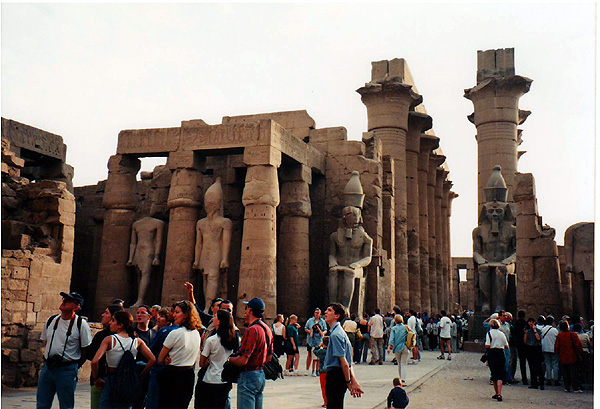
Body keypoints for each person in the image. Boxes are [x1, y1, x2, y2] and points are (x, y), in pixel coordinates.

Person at [37, 291, 93, 409]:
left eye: (69, 300)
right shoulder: (51, 320)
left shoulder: (80, 324)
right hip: (48, 367)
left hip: (67, 369)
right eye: (64, 299)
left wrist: (75, 365)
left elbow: (85, 349)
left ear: (77, 307)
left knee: (66, 405)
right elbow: (46, 341)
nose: (64, 302)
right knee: (42, 404)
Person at [91, 311, 156, 409]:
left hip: (111, 378)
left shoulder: (110, 340)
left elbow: (94, 361)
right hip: (128, 380)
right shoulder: (136, 340)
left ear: (120, 325)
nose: (110, 323)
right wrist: (141, 375)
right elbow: (152, 359)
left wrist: (96, 378)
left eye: (113, 320)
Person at [228, 297, 273, 409]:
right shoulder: (266, 328)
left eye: (246, 308)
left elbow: (243, 360)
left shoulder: (252, 330)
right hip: (260, 374)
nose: (245, 311)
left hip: (249, 375)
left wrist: (229, 359)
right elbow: (269, 357)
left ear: (250, 311)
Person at [157, 300, 203, 408]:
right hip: (188, 375)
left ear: (186, 315)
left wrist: (165, 359)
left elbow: (160, 358)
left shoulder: (175, 333)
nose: (174, 315)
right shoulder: (196, 333)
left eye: (177, 312)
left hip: (173, 375)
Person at [195, 309, 240, 409]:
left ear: (219, 321)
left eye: (215, 317)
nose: (213, 318)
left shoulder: (211, 340)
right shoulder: (233, 338)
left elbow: (201, 363)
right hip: (224, 379)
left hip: (210, 379)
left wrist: (206, 362)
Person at [322, 302, 363, 408]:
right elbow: (348, 362)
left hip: (335, 375)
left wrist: (349, 382)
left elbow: (344, 362)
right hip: (339, 375)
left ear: (337, 316)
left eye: (329, 310)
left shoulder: (336, 335)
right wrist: (352, 380)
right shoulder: (340, 332)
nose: (325, 312)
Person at [86, 304, 124, 409]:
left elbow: (92, 358)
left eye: (106, 313)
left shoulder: (102, 336)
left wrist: (96, 378)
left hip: (101, 379)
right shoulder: (131, 337)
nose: (103, 315)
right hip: (121, 380)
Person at [126, 215, 166, 308]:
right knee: (139, 275)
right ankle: (140, 299)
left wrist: (156, 256)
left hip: (149, 249)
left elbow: (158, 241)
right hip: (138, 250)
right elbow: (133, 243)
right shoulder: (136, 224)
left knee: (145, 273)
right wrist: (130, 258)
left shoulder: (158, 223)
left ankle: (141, 299)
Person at [146, 308, 178, 409]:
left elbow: (151, 351)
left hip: (158, 370)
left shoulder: (165, 331)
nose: (158, 318)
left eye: (162, 316)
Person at [133, 305, 156, 408]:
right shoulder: (132, 332)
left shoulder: (154, 333)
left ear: (149, 317)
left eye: (142, 313)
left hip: (148, 372)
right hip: (134, 371)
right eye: (138, 313)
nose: (139, 315)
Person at [555, 320, 584, 393]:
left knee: (565, 373)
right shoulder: (573, 335)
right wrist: (579, 353)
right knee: (574, 373)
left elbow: (557, 347)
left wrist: (558, 353)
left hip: (563, 356)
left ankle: (567, 387)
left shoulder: (559, 336)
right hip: (572, 356)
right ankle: (575, 387)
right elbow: (578, 345)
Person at [485, 318, 509, 402]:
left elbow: (487, 345)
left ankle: (496, 392)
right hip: (500, 353)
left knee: (494, 373)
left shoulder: (489, 334)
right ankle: (499, 393)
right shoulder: (502, 334)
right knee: (500, 374)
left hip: (492, 353)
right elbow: (507, 346)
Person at [387, 315, 409, 387]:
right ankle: (403, 379)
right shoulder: (406, 327)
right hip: (405, 346)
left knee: (399, 363)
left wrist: (389, 347)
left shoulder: (394, 328)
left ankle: (400, 379)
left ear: (395, 321)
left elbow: (391, 338)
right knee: (403, 363)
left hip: (397, 348)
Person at [524, 317, 544, 390]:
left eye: (532, 322)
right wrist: (526, 334)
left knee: (539, 367)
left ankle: (541, 383)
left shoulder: (538, 331)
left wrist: (535, 331)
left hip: (537, 349)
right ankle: (534, 383)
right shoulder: (528, 331)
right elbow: (525, 341)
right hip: (530, 349)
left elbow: (539, 339)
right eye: (530, 322)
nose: (531, 323)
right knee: (531, 367)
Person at [305, 308, 326, 376]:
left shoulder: (322, 321)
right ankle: (307, 369)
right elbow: (306, 328)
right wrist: (310, 331)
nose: (316, 314)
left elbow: (325, 330)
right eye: (315, 313)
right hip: (311, 340)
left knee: (318, 356)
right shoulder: (310, 321)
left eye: (318, 313)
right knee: (310, 355)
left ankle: (317, 370)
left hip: (319, 340)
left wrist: (322, 332)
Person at [540, 315, 560, 387]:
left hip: (545, 348)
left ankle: (548, 378)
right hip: (553, 348)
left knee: (547, 364)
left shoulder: (543, 329)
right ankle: (556, 379)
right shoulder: (555, 330)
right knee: (555, 364)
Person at [313, 337, 330, 408]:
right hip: (330, 370)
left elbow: (314, 351)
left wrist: (319, 345)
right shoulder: (331, 351)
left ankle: (326, 401)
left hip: (323, 371)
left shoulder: (321, 352)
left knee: (324, 387)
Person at [514, 310, 529, 384]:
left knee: (522, 362)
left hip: (519, 344)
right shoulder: (526, 324)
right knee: (528, 361)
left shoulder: (516, 323)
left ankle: (524, 378)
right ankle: (529, 378)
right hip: (526, 344)